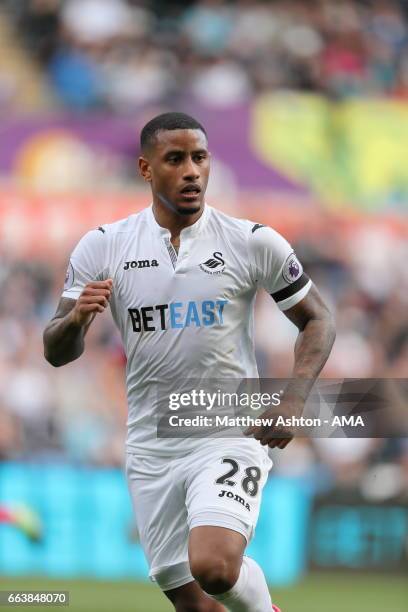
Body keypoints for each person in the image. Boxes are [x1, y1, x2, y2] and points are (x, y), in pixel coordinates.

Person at [43, 112, 335, 612]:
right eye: (174, 160)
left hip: (225, 431)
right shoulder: (104, 246)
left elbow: (318, 321)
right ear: (145, 168)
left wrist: (294, 398)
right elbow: (56, 351)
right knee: (195, 603)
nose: (191, 171)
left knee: (216, 566)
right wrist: (77, 320)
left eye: (199, 158)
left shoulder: (251, 241)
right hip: (151, 445)